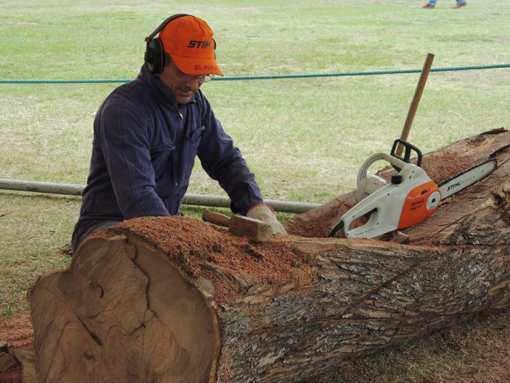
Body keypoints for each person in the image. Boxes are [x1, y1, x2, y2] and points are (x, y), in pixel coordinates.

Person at [71, 14, 286, 253]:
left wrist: (255, 205)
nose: (193, 85)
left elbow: (224, 159)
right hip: (110, 228)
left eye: (202, 74)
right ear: (157, 60)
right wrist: (179, 241)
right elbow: (137, 197)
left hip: (168, 224)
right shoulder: (123, 112)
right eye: (185, 72)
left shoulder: (196, 103)